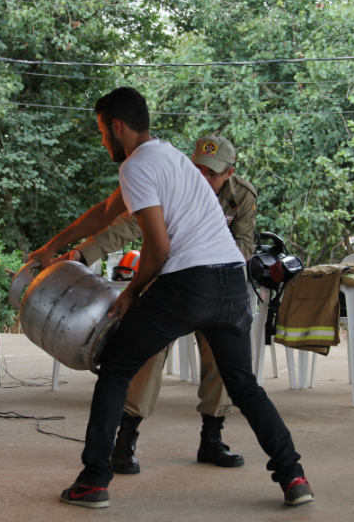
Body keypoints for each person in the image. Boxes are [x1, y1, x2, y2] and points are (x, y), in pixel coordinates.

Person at [29, 87, 311, 509]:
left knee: (116, 368)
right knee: (244, 385)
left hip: (189, 283)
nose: (103, 140)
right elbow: (107, 212)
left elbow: (159, 250)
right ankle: (293, 476)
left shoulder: (137, 166)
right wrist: (54, 246)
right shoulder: (172, 158)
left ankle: (94, 480)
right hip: (232, 284)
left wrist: (132, 292)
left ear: (118, 127)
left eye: (103, 131)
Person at [54, 135, 257, 474]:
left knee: (221, 357)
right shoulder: (174, 183)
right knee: (145, 354)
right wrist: (82, 252)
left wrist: (214, 264)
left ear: (229, 173)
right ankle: (126, 440)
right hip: (168, 280)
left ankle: (212, 438)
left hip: (213, 284)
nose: (202, 177)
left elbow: (245, 243)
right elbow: (126, 225)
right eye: (198, 169)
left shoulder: (243, 197)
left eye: (212, 173)